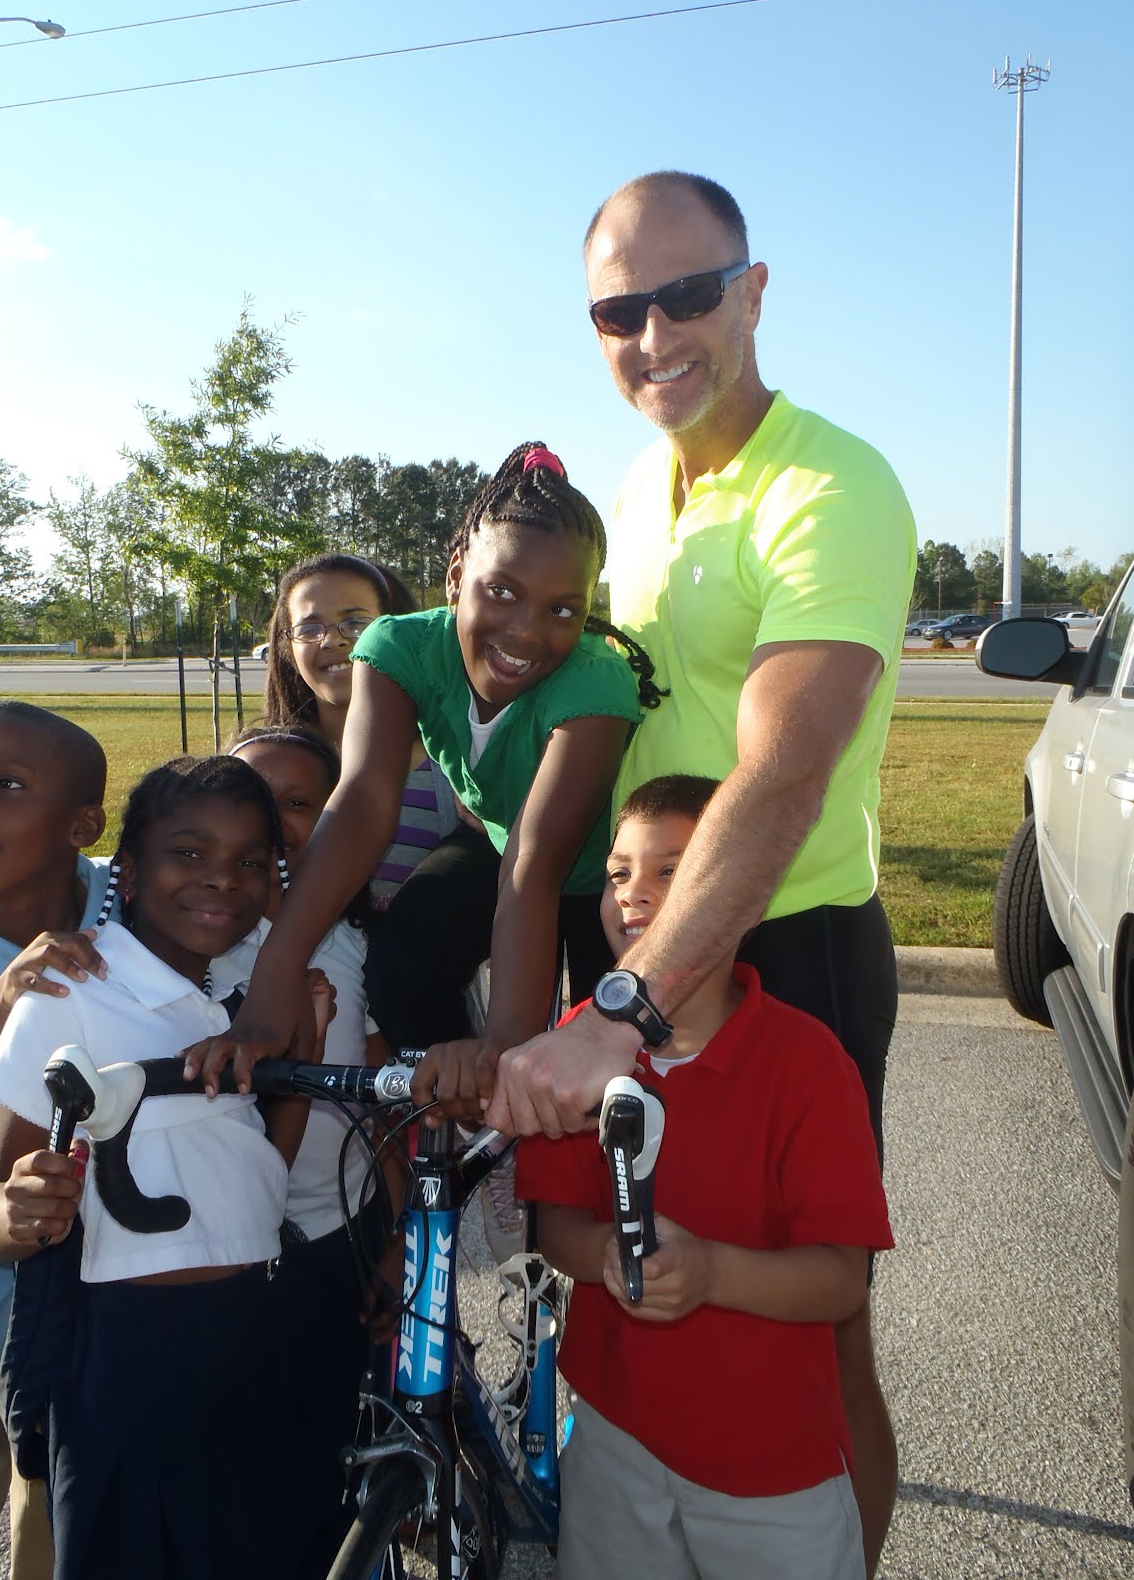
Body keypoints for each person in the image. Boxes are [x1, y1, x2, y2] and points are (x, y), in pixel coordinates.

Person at [488, 172, 917, 1575]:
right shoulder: (640, 482)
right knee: (632, 1278)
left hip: (778, 946)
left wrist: (626, 1002)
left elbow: (783, 772)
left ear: (755, 288)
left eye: (688, 294)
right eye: (621, 308)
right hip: (640, 947)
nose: (655, 332)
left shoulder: (830, 485)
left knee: (813, 1332)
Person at [187, 442, 661, 1111]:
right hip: (498, 842)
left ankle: (525, 1125)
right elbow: (361, 806)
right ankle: (460, 1118)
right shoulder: (398, 648)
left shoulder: (596, 682)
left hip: (593, 871)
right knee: (403, 962)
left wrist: (510, 1051)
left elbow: (538, 864)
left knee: (612, 1051)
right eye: (502, 593)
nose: (526, 632)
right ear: (456, 573)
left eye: (563, 609)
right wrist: (270, 991)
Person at [517, 775, 894, 1579]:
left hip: (774, 1470)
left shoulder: (807, 1066)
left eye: (671, 872)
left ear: (740, 901)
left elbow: (839, 1282)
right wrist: (608, 1260)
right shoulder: (579, 1044)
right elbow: (556, 1229)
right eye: (618, 874)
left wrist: (713, 1272)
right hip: (615, 1442)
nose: (634, 895)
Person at [0, 756, 309, 1580]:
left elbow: (259, 1166)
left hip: (257, 1334)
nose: (221, 880)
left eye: (250, 863)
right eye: (187, 853)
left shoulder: (248, 994)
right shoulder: (71, 993)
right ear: (123, 868)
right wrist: (18, 1210)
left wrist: (298, 1042)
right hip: (129, 1360)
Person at [0, 701, 110, 1580]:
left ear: (84, 825)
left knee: (55, 1522)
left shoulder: (147, 899)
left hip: (98, 1313)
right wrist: (4, 1003)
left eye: (5, 786)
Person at [222, 724, 391, 1576]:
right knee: (235, 1457)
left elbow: (387, 1100)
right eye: (256, 795)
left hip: (334, 1235)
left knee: (325, 1446)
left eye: (302, 804)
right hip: (219, 1253)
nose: (278, 823)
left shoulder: (358, 943)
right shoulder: (191, 933)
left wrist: (391, 1243)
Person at [260, 552, 459, 908]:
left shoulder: (451, 773)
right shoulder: (265, 765)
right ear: (287, 647)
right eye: (309, 628)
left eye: (354, 623)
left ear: (397, 631)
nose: (332, 640)